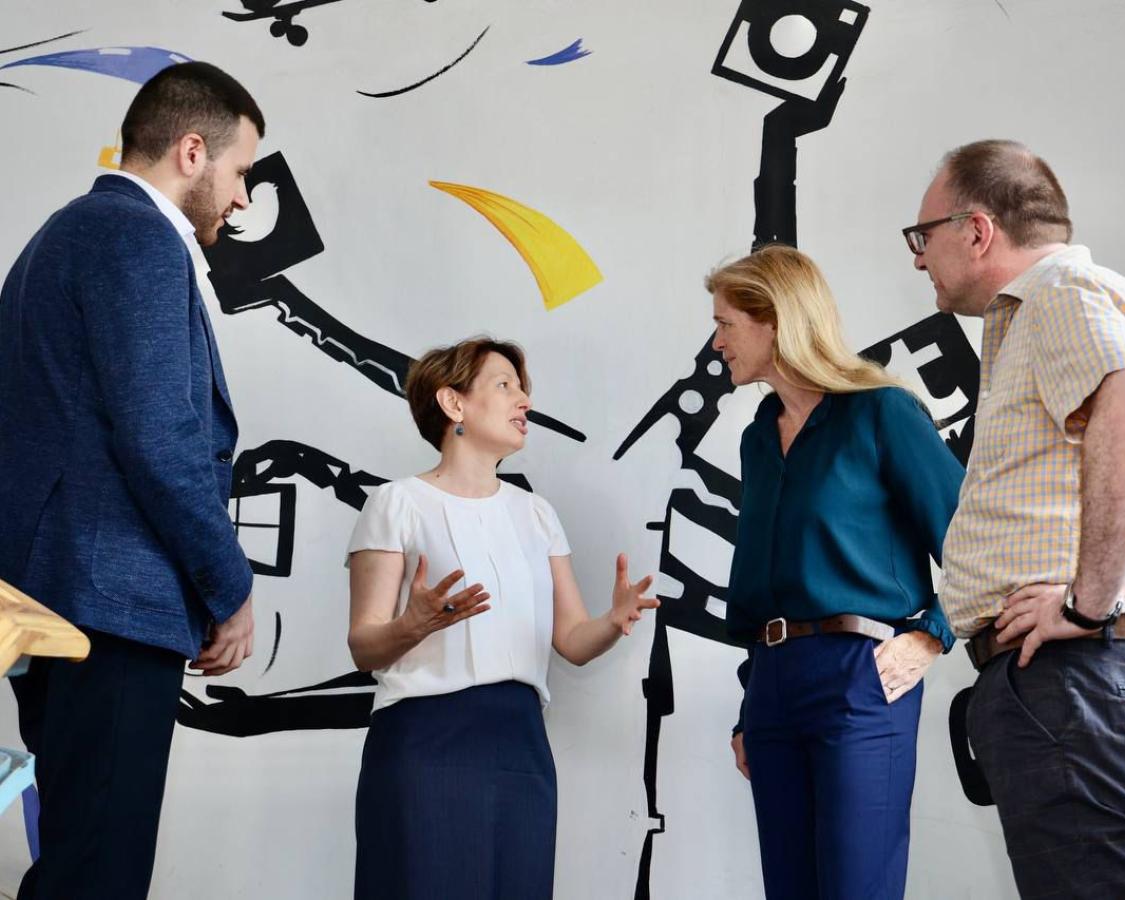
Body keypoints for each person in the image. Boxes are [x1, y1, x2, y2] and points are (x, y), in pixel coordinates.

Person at [0, 61, 263, 899]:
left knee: (78, 860)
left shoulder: (64, 235)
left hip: (56, 600)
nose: (244, 199)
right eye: (242, 171)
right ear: (194, 150)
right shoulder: (135, 236)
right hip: (105, 601)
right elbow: (161, 437)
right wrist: (227, 585)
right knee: (98, 874)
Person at [906, 139, 1125, 898]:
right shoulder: (1057, 307)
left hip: (1075, 675)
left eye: (921, 235)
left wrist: (1086, 603)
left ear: (976, 230)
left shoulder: (1060, 296)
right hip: (1070, 682)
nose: (917, 258)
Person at [345, 337, 658, 900]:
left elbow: (571, 640)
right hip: (425, 741)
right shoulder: (396, 503)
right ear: (453, 403)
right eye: (504, 385)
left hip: (520, 743)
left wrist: (614, 619)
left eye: (523, 388)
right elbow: (365, 645)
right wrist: (413, 623)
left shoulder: (535, 513)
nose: (524, 401)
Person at [711, 245, 963, 899]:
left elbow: (972, 541)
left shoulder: (881, 412)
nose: (716, 344)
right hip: (772, 686)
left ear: (773, 320)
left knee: (858, 887)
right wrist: (750, 704)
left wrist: (931, 634)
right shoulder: (758, 436)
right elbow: (762, 581)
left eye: (726, 324)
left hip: (861, 677)